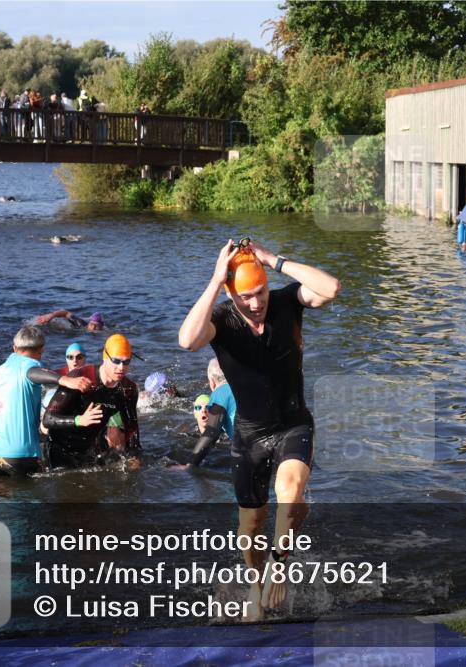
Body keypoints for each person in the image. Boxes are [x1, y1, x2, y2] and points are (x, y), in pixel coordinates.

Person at [178, 237, 340, 619]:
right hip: (249, 434)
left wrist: (275, 260)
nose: (256, 302)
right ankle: (256, 583)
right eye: (245, 295)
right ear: (231, 293)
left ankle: (279, 563)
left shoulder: (285, 302)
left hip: (293, 422)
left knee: (291, 489)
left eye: (260, 291)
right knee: (250, 525)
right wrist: (218, 279)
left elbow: (331, 288)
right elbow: (187, 341)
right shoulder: (220, 320)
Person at [0, 326, 92, 476]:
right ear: (41, 350)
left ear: (14, 348)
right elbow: (34, 374)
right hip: (20, 456)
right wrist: (66, 380)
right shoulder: (31, 365)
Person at [42, 334, 141, 470]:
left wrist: (133, 457)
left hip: (89, 451)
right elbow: (47, 419)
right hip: (59, 449)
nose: (121, 367)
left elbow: (132, 430)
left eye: (126, 362)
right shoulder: (80, 378)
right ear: (105, 358)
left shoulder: (128, 389)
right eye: (116, 361)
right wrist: (79, 420)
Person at [170, 357, 236, 470]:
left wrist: (190, 465)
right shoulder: (245, 385)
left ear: (212, 381)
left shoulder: (220, 393)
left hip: (253, 449)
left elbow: (211, 432)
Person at [31, 309, 104, 332]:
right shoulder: (81, 324)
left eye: (96, 326)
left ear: (101, 327)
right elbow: (66, 312)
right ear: (89, 324)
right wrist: (51, 316)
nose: (93, 328)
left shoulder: (104, 331)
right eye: (92, 325)